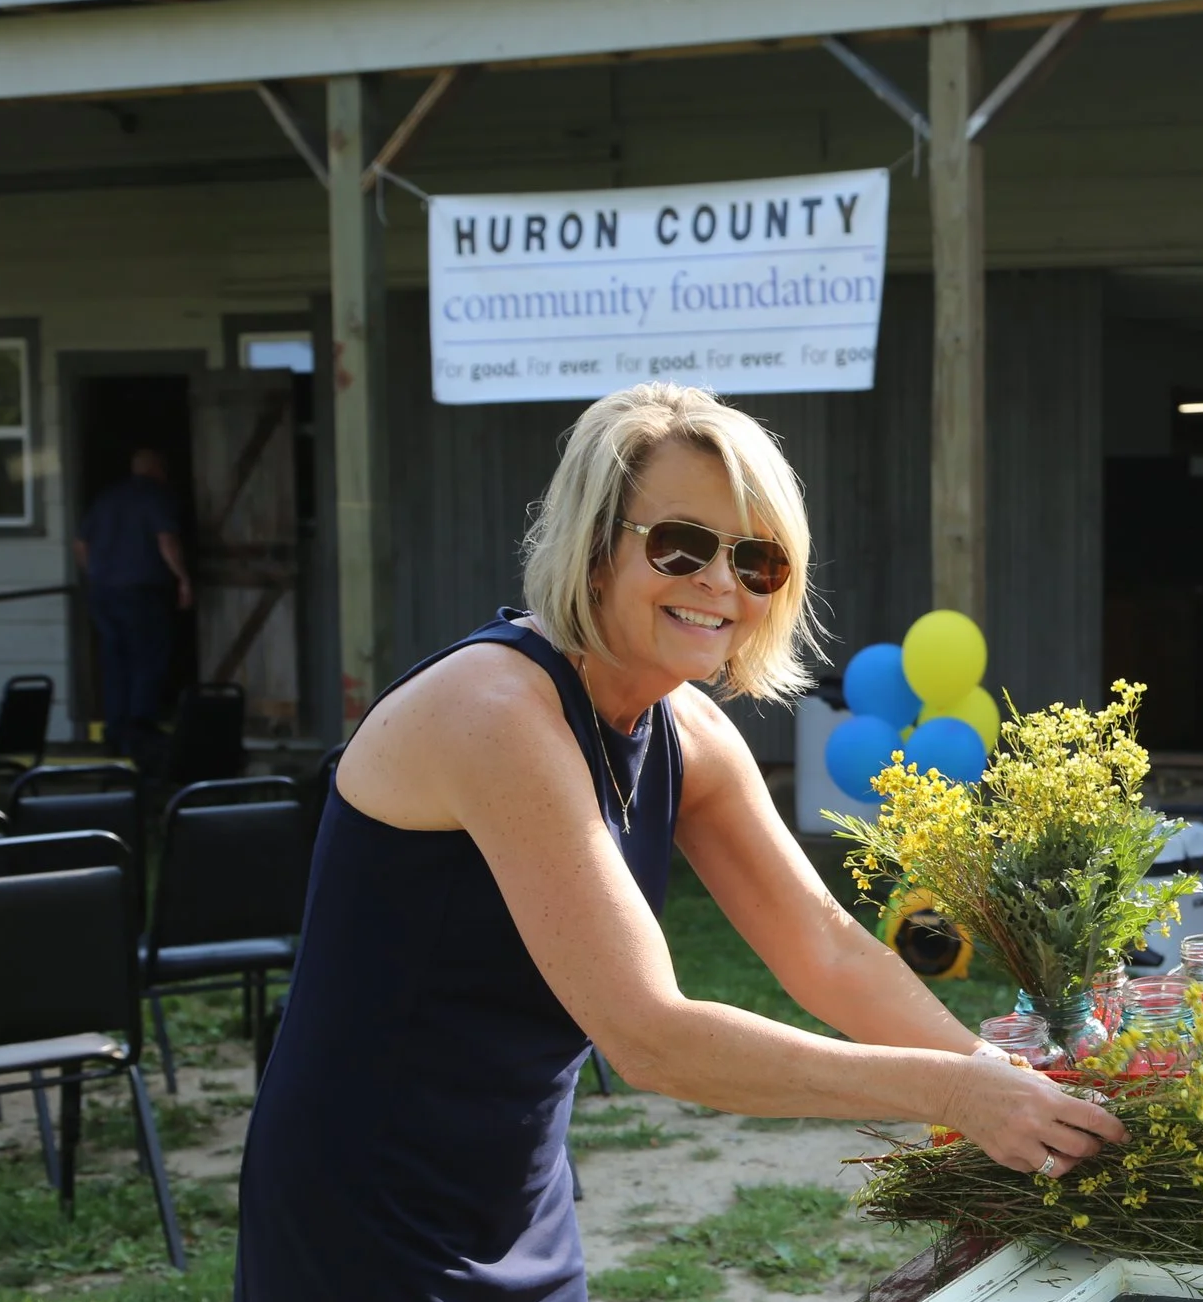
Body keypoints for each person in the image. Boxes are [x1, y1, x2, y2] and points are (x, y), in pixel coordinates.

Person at [233, 384, 1126, 1302]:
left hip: (516, 1195)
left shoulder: (685, 729)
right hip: (362, 1211)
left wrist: (996, 1080)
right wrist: (954, 1097)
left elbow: (824, 948)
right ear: (593, 547)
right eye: (681, 545)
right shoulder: (494, 711)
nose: (720, 583)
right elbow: (650, 1038)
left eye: (758, 559)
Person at [74, 447, 192, 758]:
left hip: (104, 593)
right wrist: (183, 578)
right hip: (141, 591)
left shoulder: (107, 498)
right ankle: (140, 730)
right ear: (158, 469)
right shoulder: (156, 497)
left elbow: (81, 543)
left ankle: (115, 731)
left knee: (114, 661)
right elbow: (166, 540)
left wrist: (96, 574)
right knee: (147, 659)